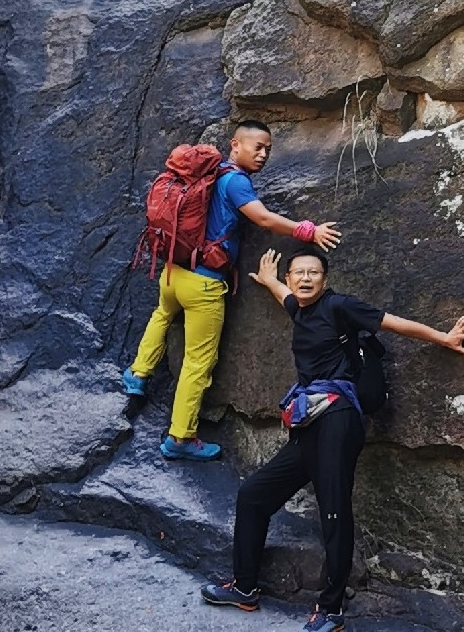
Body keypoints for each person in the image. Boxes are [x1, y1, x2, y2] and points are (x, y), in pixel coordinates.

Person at [201, 245, 464, 632]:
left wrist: (444, 338)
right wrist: (267, 281)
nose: (305, 278)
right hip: (310, 422)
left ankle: (329, 610)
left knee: (333, 511)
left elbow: (393, 323)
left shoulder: (339, 306)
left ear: (325, 280)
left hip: (338, 419)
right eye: (298, 273)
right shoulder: (301, 308)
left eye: (313, 272)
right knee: (254, 495)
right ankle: (245, 587)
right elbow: (289, 300)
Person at [123, 120, 340, 462]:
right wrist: (307, 231)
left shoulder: (208, 174)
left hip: (174, 271)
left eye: (268, 148)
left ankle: (137, 374)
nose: (264, 154)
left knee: (162, 315)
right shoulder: (235, 181)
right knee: (198, 362)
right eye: (258, 147)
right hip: (204, 283)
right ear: (235, 145)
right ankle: (180, 437)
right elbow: (263, 219)